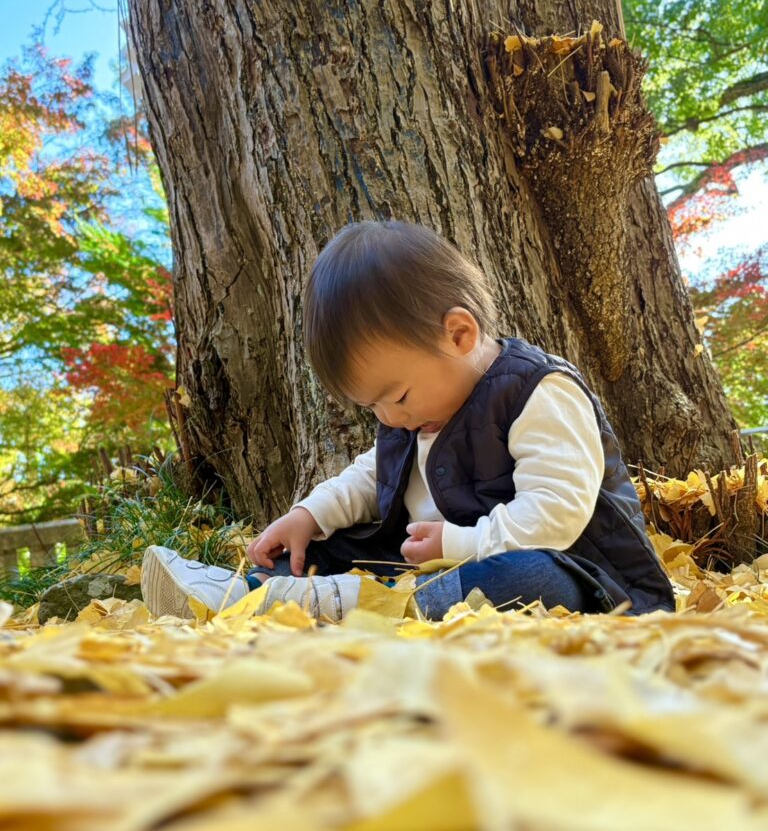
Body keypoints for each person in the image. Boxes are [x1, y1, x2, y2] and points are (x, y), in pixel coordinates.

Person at [141, 220, 675, 622]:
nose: (388, 418)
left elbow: (556, 515)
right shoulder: (414, 414)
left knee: (528, 576)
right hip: (428, 567)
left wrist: (456, 546)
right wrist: (308, 515)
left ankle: (345, 609)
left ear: (459, 335)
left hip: (583, 574)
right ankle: (252, 594)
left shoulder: (537, 391)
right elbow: (372, 477)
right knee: (324, 549)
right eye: (372, 406)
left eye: (395, 396)